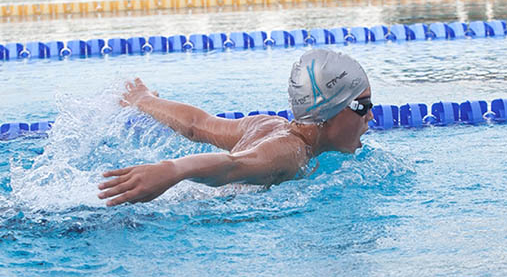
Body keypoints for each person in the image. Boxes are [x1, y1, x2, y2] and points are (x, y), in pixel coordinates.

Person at [98, 48, 373, 206]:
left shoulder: (267, 125)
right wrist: (173, 170)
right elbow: (233, 165)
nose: (370, 116)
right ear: (330, 111)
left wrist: (143, 100)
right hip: (192, 211)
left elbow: (198, 125)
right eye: (363, 106)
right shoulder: (290, 153)